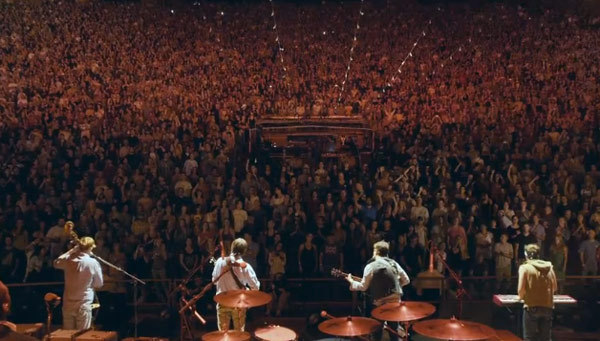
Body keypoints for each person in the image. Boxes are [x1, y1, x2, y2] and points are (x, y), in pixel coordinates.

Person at [346, 240, 410, 341]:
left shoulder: (370, 266)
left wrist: (351, 282)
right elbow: (406, 280)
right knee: (394, 332)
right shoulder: (394, 264)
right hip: (394, 304)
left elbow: (363, 287)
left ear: (375, 252)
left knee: (377, 332)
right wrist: (396, 286)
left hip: (379, 304)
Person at [54, 237, 104, 330]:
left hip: (68, 303)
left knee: (68, 335)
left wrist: (71, 251)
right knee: (82, 335)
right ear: (90, 248)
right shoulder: (93, 262)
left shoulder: (68, 259)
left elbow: (56, 263)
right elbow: (99, 284)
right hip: (83, 302)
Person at [212, 238, 260, 331]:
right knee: (239, 335)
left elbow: (214, 281)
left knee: (223, 335)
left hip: (222, 300)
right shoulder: (245, 266)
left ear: (232, 247)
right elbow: (255, 286)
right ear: (244, 251)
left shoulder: (219, 262)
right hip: (238, 303)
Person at [518, 244, 557, 341]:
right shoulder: (549, 267)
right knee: (546, 338)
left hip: (532, 306)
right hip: (547, 306)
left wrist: (521, 297)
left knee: (529, 338)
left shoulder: (525, 268)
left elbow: (520, 290)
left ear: (526, 255)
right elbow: (555, 288)